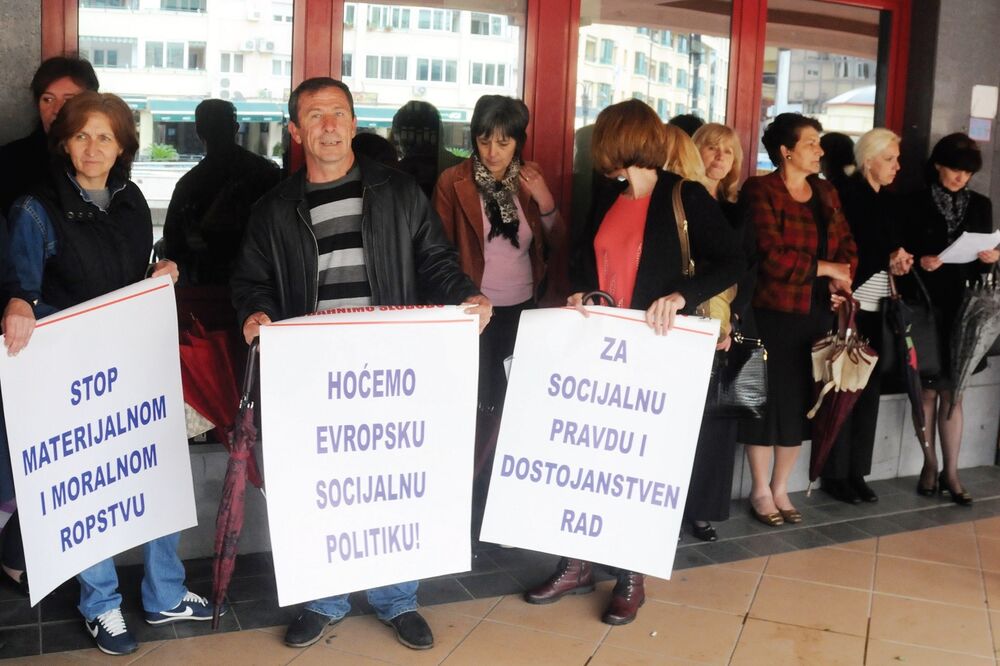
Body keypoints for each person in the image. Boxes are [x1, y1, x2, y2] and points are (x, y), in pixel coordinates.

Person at [230, 77, 492, 651]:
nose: (328, 124)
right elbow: (251, 282)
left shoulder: (398, 193)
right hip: (313, 373)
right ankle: (324, 598)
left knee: (392, 479)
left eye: (339, 113)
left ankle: (398, 598)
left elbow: (436, 261)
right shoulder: (273, 209)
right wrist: (256, 312)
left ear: (353, 123)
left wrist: (466, 295)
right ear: (296, 131)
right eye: (315, 115)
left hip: (390, 369)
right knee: (324, 484)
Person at [7, 91, 217, 656]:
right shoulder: (35, 208)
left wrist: (157, 271)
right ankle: (100, 605)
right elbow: (21, 289)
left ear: (122, 144)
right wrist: (18, 305)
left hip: (133, 364)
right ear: (64, 143)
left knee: (154, 473)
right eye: (81, 136)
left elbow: (126, 275)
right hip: (72, 376)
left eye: (105, 136)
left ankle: (164, 593)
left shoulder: (130, 199)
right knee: (90, 488)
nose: (93, 147)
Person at [523, 99, 742, 625]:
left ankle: (630, 577)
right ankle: (575, 563)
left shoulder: (683, 196)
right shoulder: (610, 196)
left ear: (621, 141)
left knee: (640, 464)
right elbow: (584, 260)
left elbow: (735, 260)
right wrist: (583, 293)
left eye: (602, 139)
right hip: (602, 347)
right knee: (588, 457)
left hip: (658, 352)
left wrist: (683, 297)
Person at [432, 95, 562, 538]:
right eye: (484, 140)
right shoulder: (453, 181)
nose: (492, 152)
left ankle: (505, 504)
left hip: (524, 310)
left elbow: (559, 241)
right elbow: (439, 252)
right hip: (475, 313)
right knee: (473, 408)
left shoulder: (530, 180)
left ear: (518, 143)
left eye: (503, 142)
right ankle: (465, 503)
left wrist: (545, 201)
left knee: (516, 409)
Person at [739, 113, 857, 527]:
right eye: (811, 143)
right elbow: (770, 256)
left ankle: (781, 488)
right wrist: (826, 269)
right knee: (766, 404)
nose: (819, 150)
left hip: (817, 314)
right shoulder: (760, 190)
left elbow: (848, 248)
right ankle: (758, 490)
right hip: (771, 315)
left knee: (800, 406)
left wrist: (839, 279)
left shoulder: (825, 191)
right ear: (786, 151)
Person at [903, 132, 999, 504]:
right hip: (926, 305)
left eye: (968, 173)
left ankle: (952, 471)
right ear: (938, 165)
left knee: (955, 391)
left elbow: (984, 249)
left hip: (966, 307)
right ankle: (930, 465)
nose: (961, 178)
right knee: (926, 389)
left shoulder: (981, 204)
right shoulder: (914, 202)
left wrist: (992, 256)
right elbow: (902, 251)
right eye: (955, 170)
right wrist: (922, 259)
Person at [820, 128, 912, 504]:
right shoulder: (849, 196)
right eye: (889, 159)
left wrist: (900, 261)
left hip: (878, 307)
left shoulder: (888, 201)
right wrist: (886, 257)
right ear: (868, 159)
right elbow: (850, 255)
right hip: (850, 304)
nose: (896, 166)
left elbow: (888, 249)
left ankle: (857, 471)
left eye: (897, 159)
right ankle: (835, 473)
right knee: (844, 389)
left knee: (868, 394)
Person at [682, 122, 754, 541]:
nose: (719, 158)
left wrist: (735, 320)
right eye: (711, 149)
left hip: (727, 327)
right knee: (682, 418)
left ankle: (703, 509)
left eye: (728, 152)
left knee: (716, 422)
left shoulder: (738, 208)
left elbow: (750, 266)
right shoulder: (681, 200)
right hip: (686, 318)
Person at [161, 99, 281, 288]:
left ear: (199, 130)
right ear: (235, 127)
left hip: (204, 289)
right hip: (264, 283)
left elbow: (173, 247)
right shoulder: (266, 172)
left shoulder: (188, 185)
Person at [0, 55, 99, 216]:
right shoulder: (10, 161)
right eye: (47, 99)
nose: (56, 109)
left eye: (69, 100)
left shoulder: (101, 160)